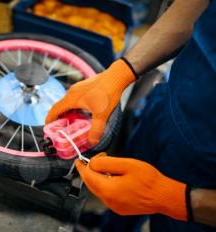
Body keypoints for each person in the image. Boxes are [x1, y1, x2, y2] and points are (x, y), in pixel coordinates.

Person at [45, 0, 216, 231]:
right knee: (120, 200)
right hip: (169, 106)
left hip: (205, 186)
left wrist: (180, 200)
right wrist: (120, 73)